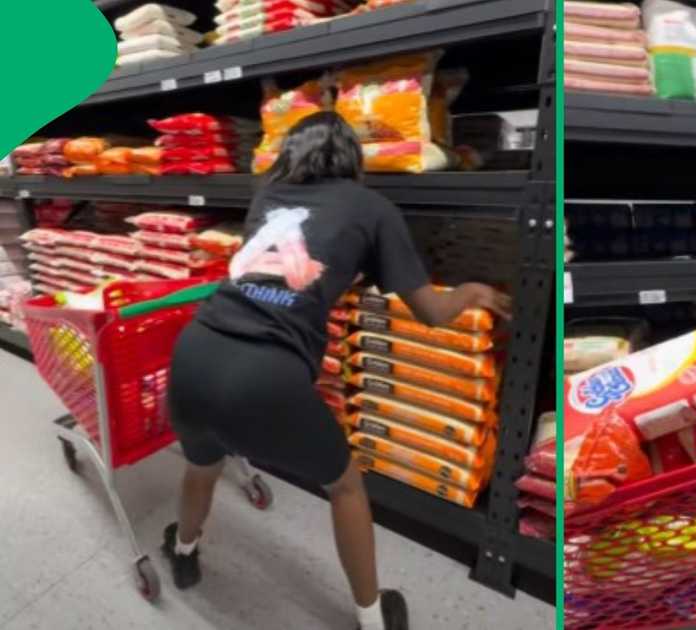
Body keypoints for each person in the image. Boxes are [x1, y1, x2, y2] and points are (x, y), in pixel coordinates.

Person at [164, 111, 512, 630]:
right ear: (354, 158)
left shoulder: (267, 196)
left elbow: (293, 266)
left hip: (195, 354)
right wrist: (470, 292)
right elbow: (432, 313)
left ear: (290, 152)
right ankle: (373, 618)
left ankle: (184, 553)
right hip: (264, 375)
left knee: (202, 466)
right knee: (345, 485)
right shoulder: (373, 208)